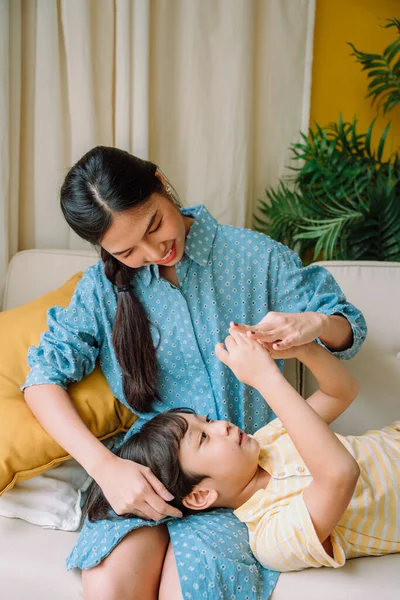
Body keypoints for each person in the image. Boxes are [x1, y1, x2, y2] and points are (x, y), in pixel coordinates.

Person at [22, 146, 367, 600]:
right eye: (127, 250)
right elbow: (42, 379)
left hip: (243, 478)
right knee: (109, 586)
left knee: (194, 586)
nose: (154, 251)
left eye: (154, 225)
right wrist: (105, 467)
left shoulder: (254, 257)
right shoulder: (100, 292)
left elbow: (347, 329)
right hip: (145, 474)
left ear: (161, 183)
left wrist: (315, 324)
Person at [84, 334, 400, 572]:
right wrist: (265, 378)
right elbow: (339, 475)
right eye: (204, 439)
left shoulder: (269, 439)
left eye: (207, 421)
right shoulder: (271, 537)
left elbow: (341, 390)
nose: (221, 426)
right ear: (199, 496)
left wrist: (297, 347)